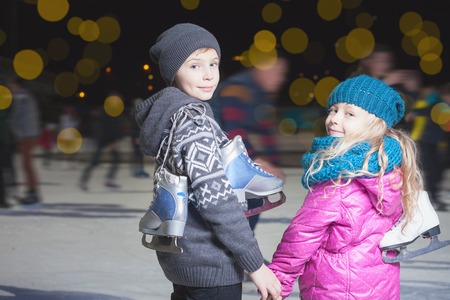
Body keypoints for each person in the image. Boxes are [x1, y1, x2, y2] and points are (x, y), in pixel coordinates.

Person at [135, 23, 281, 300]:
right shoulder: (195, 124)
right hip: (212, 265)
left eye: (213, 63)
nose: (208, 75)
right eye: (194, 66)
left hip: (185, 260)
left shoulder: (172, 117)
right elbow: (217, 201)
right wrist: (255, 264)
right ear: (173, 72)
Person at [268, 74, 423, 299]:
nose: (334, 118)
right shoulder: (389, 170)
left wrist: (278, 279)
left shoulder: (339, 178)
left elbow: (303, 235)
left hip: (335, 288)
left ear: (375, 125)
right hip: (380, 286)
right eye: (333, 109)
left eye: (349, 113)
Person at [210, 53, 288, 231]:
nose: (280, 79)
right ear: (261, 68)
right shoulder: (237, 88)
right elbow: (233, 130)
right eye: (277, 72)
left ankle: (244, 252)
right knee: (237, 209)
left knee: (255, 200)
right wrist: (258, 161)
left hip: (236, 157)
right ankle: (236, 253)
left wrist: (273, 165)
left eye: (283, 74)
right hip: (217, 157)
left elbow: (266, 131)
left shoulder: (260, 96)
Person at [405, 82, 450, 211]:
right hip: (427, 142)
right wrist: (413, 113)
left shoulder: (445, 106)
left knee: (437, 170)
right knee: (431, 170)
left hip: (436, 143)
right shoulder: (439, 105)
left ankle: (433, 196)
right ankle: (429, 197)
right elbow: (425, 110)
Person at [7, 76, 42, 206]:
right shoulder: (28, 97)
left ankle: (33, 192)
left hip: (26, 135)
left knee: (26, 165)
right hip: (31, 134)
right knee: (27, 164)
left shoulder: (21, 99)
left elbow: (14, 118)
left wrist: (11, 128)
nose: (10, 88)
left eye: (12, 85)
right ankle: (32, 191)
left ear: (18, 86)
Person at [78, 97, 124, 191]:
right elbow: (105, 129)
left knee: (116, 159)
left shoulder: (113, 114)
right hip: (103, 140)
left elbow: (114, 129)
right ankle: (83, 181)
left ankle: (109, 180)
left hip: (109, 140)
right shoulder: (105, 114)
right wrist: (110, 142)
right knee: (95, 161)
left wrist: (114, 140)